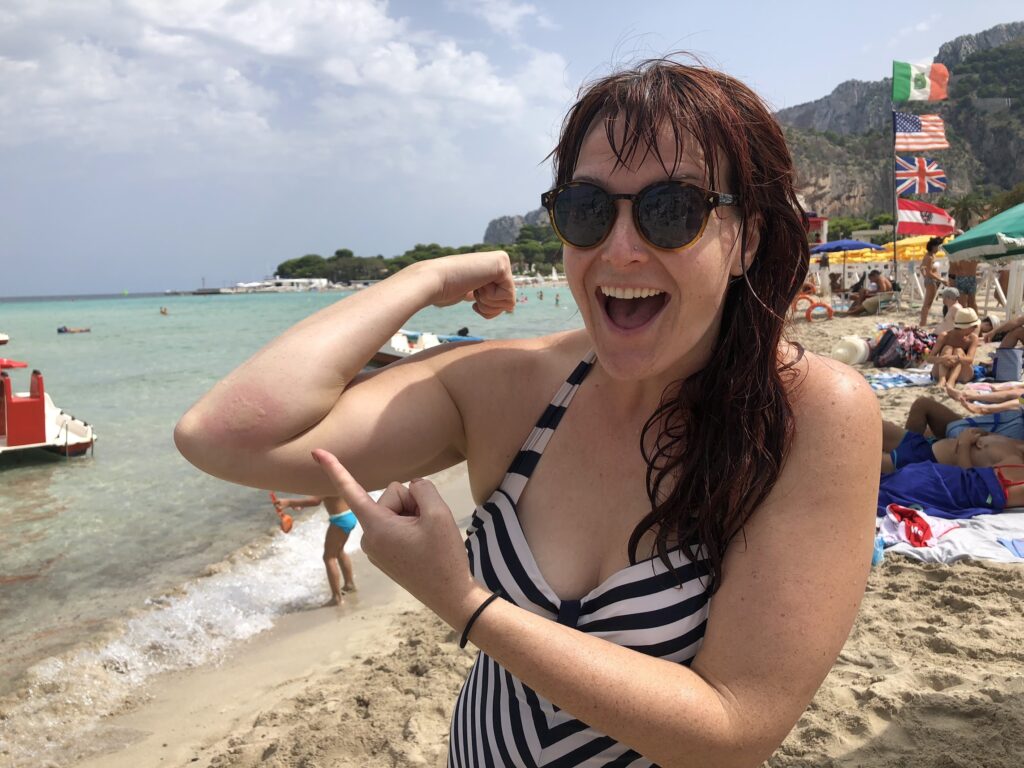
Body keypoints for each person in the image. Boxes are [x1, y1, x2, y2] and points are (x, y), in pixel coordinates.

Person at [175, 57, 879, 766]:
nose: (621, 250)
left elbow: (734, 729)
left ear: (746, 241)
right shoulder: (517, 388)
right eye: (588, 211)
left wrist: (465, 603)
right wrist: (423, 280)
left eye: (673, 210)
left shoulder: (807, 416)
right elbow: (226, 436)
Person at [273, 495, 358, 605]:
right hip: (348, 514)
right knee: (339, 551)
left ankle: (337, 598)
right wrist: (297, 504)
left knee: (328, 557)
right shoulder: (335, 478)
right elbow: (325, 498)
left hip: (340, 519)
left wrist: (289, 502)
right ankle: (349, 585)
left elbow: (315, 500)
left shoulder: (326, 479)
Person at [881, 421, 1024, 473]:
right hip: (928, 443)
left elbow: (971, 483)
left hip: (924, 460)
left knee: (866, 459)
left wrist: (964, 444)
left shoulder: (1015, 463)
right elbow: (990, 436)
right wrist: (980, 433)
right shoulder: (1017, 442)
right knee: (874, 425)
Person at [927, 307, 981, 397]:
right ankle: (942, 380)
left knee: (958, 351)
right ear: (966, 327)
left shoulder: (973, 338)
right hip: (942, 370)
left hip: (962, 374)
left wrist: (956, 358)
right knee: (947, 348)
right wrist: (942, 359)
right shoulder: (944, 336)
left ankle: (950, 382)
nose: (975, 328)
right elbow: (929, 358)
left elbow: (970, 360)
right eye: (974, 326)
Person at [917, 236, 949, 326]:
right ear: (933, 246)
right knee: (927, 303)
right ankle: (923, 323)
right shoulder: (929, 257)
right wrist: (941, 280)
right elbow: (929, 272)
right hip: (931, 281)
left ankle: (923, 322)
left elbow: (921, 268)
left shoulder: (930, 256)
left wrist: (925, 277)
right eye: (938, 247)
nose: (938, 248)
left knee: (928, 303)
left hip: (930, 280)